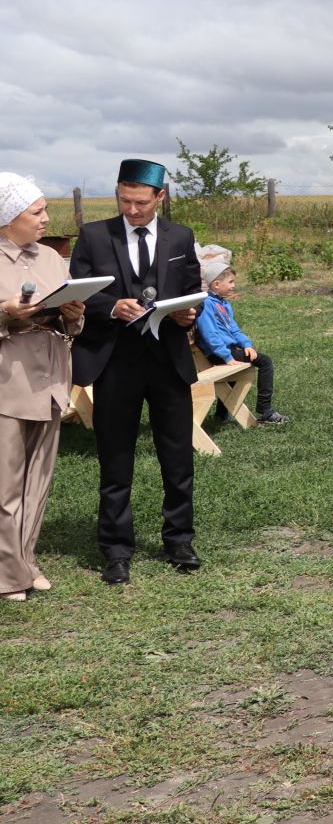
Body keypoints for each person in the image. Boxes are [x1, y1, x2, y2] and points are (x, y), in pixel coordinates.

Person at [68, 158, 204, 583]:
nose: (131, 210)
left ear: (160, 197)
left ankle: (179, 539)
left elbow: (191, 291)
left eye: (141, 203)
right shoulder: (93, 235)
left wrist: (188, 315)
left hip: (168, 364)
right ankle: (115, 549)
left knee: (178, 457)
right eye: (124, 201)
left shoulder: (181, 236)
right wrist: (110, 306)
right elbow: (75, 293)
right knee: (115, 458)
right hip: (115, 363)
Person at [0, 175, 85, 600]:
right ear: (7, 217)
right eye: (36, 212)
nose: (46, 219)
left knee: (39, 480)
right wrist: (8, 312)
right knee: (6, 483)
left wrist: (73, 313)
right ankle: (6, 573)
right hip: (8, 382)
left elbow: (73, 322)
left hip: (52, 377)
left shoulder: (51, 257)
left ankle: (26, 561)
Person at [192, 245, 290, 425]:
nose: (234, 286)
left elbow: (234, 329)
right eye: (230, 282)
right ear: (216, 284)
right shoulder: (205, 305)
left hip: (229, 349)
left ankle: (221, 415)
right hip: (218, 353)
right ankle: (265, 410)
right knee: (265, 362)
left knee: (238, 371)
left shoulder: (224, 304)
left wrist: (247, 344)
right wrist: (227, 357)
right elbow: (210, 336)